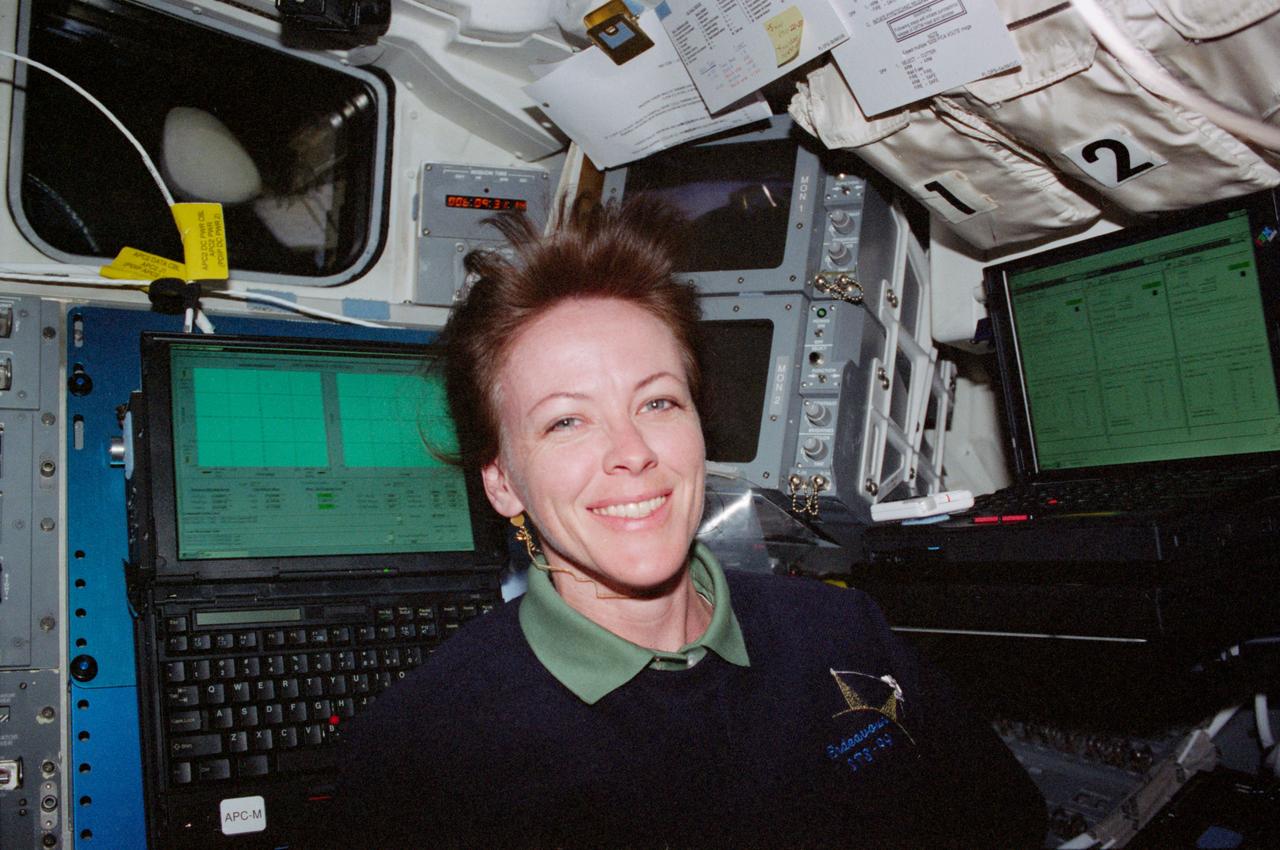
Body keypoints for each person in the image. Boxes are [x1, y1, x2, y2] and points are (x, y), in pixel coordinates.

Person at [320, 196, 1047, 848]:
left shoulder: (843, 632)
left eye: (658, 402)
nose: (631, 453)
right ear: (502, 481)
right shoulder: (420, 752)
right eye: (568, 421)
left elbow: (1009, 821)